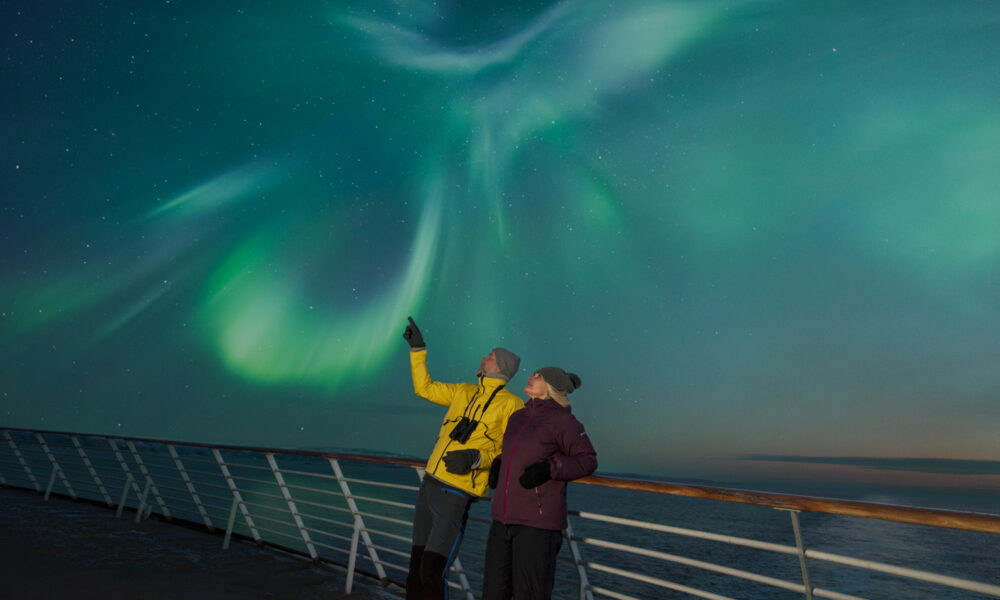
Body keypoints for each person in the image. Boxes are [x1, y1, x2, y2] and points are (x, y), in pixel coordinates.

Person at [402, 316, 524, 600]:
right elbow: (425, 388)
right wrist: (417, 349)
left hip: (456, 493)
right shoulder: (464, 391)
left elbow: (513, 450)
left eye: (490, 356)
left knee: (432, 570)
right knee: (416, 567)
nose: (483, 358)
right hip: (430, 485)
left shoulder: (513, 404)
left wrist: (476, 458)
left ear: (500, 367)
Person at [482, 367, 598, 600]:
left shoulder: (563, 421)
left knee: (530, 595)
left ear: (551, 387)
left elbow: (587, 460)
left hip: (537, 525)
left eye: (537, 376)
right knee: (493, 593)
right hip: (502, 519)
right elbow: (519, 453)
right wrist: (499, 462)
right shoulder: (518, 417)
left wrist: (550, 468)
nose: (529, 378)